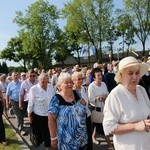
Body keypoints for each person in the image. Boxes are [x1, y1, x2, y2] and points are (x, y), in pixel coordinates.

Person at [103, 56, 150, 150]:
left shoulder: (141, 90)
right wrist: (135, 126)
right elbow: (108, 127)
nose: (135, 77)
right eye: (130, 73)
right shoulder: (115, 95)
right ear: (121, 75)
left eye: (137, 73)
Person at [48, 73, 87, 150]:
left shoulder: (76, 93)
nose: (69, 84)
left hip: (82, 137)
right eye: (66, 82)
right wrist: (53, 138)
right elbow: (51, 119)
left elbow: (84, 104)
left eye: (70, 82)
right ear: (60, 86)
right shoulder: (56, 99)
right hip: (67, 141)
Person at [27, 73, 55, 149]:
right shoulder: (34, 89)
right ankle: (47, 146)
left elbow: (54, 99)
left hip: (51, 114)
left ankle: (50, 144)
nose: (45, 84)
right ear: (38, 81)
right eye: (43, 82)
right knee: (45, 133)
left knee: (52, 132)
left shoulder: (50, 87)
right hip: (40, 116)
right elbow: (31, 103)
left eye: (46, 81)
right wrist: (29, 115)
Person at [88, 68, 111, 147]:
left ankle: (93, 137)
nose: (100, 76)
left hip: (104, 109)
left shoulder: (104, 84)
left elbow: (108, 94)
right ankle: (110, 145)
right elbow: (90, 100)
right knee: (103, 128)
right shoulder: (91, 87)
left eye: (101, 74)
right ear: (94, 77)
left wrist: (105, 96)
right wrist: (98, 98)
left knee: (97, 126)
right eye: (98, 75)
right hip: (96, 111)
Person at [72, 71, 92, 150]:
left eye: (81, 79)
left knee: (88, 136)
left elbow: (87, 102)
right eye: (78, 79)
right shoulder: (71, 91)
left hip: (87, 114)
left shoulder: (84, 89)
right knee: (79, 137)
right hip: (77, 118)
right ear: (73, 81)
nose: (80, 81)